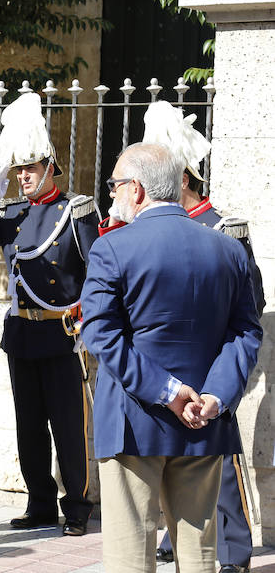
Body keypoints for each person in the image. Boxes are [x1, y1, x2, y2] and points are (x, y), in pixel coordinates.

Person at [97, 101, 264, 573]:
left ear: (136, 189)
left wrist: (168, 392)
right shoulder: (228, 248)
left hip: (134, 418)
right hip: (205, 419)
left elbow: (104, 337)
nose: (111, 194)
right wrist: (214, 395)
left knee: (131, 555)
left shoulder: (112, 246)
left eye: (114, 185)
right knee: (199, 556)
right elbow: (246, 332)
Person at [0, 93, 98, 537]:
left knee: (69, 427)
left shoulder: (76, 211)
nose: (23, 177)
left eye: (30, 169)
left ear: (49, 169)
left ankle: (77, 506)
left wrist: (87, 324)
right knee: (29, 428)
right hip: (22, 333)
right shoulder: (12, 213)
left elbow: (96, 272)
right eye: (18, 170)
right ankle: (40, 502)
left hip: (63, 335)